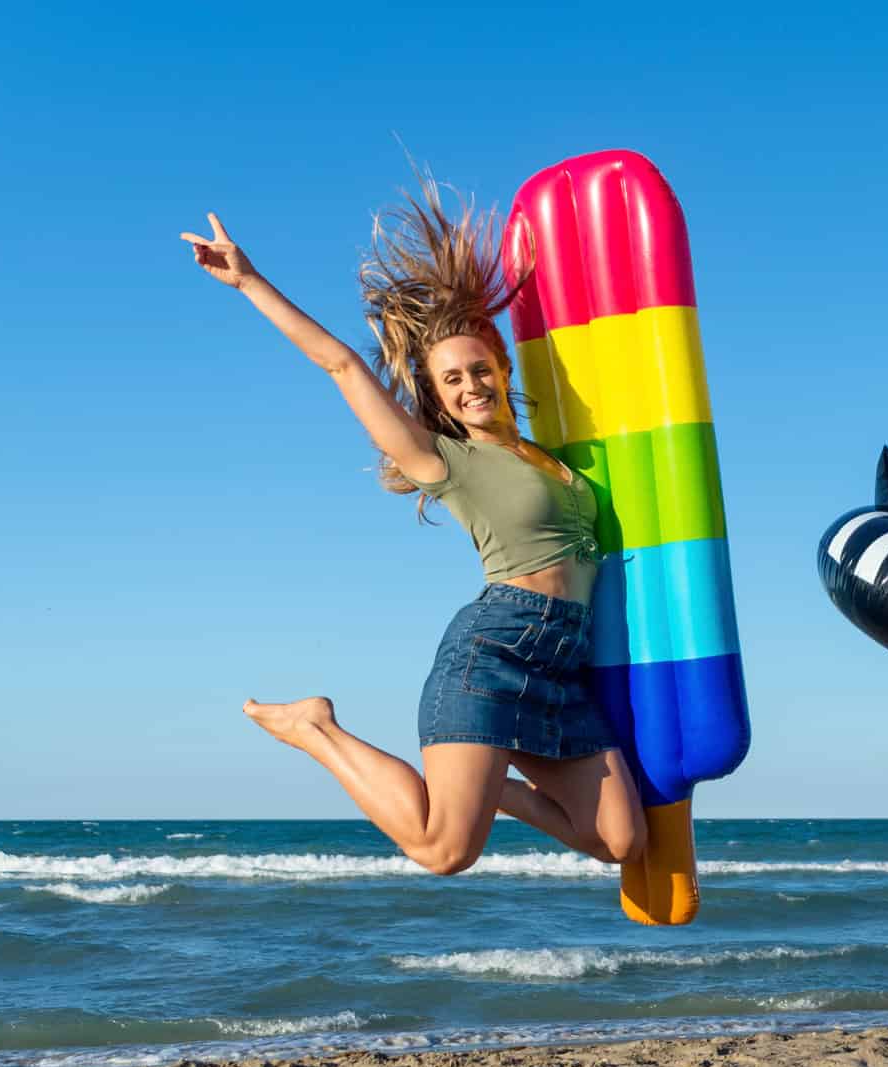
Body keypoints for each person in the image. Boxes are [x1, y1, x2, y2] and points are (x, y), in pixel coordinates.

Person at [180, 183, 645, 875]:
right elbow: (341, 363)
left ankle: (491, 790)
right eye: (452, 380)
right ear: (437, 394)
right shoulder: (445, 460)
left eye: (480, 369)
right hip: (493, 651)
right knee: (443, 850)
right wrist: (249, 281)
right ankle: (316, 727)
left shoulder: (557, 458)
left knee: (620, 842)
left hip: (563, 664)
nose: (471, 386)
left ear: (502, 365)